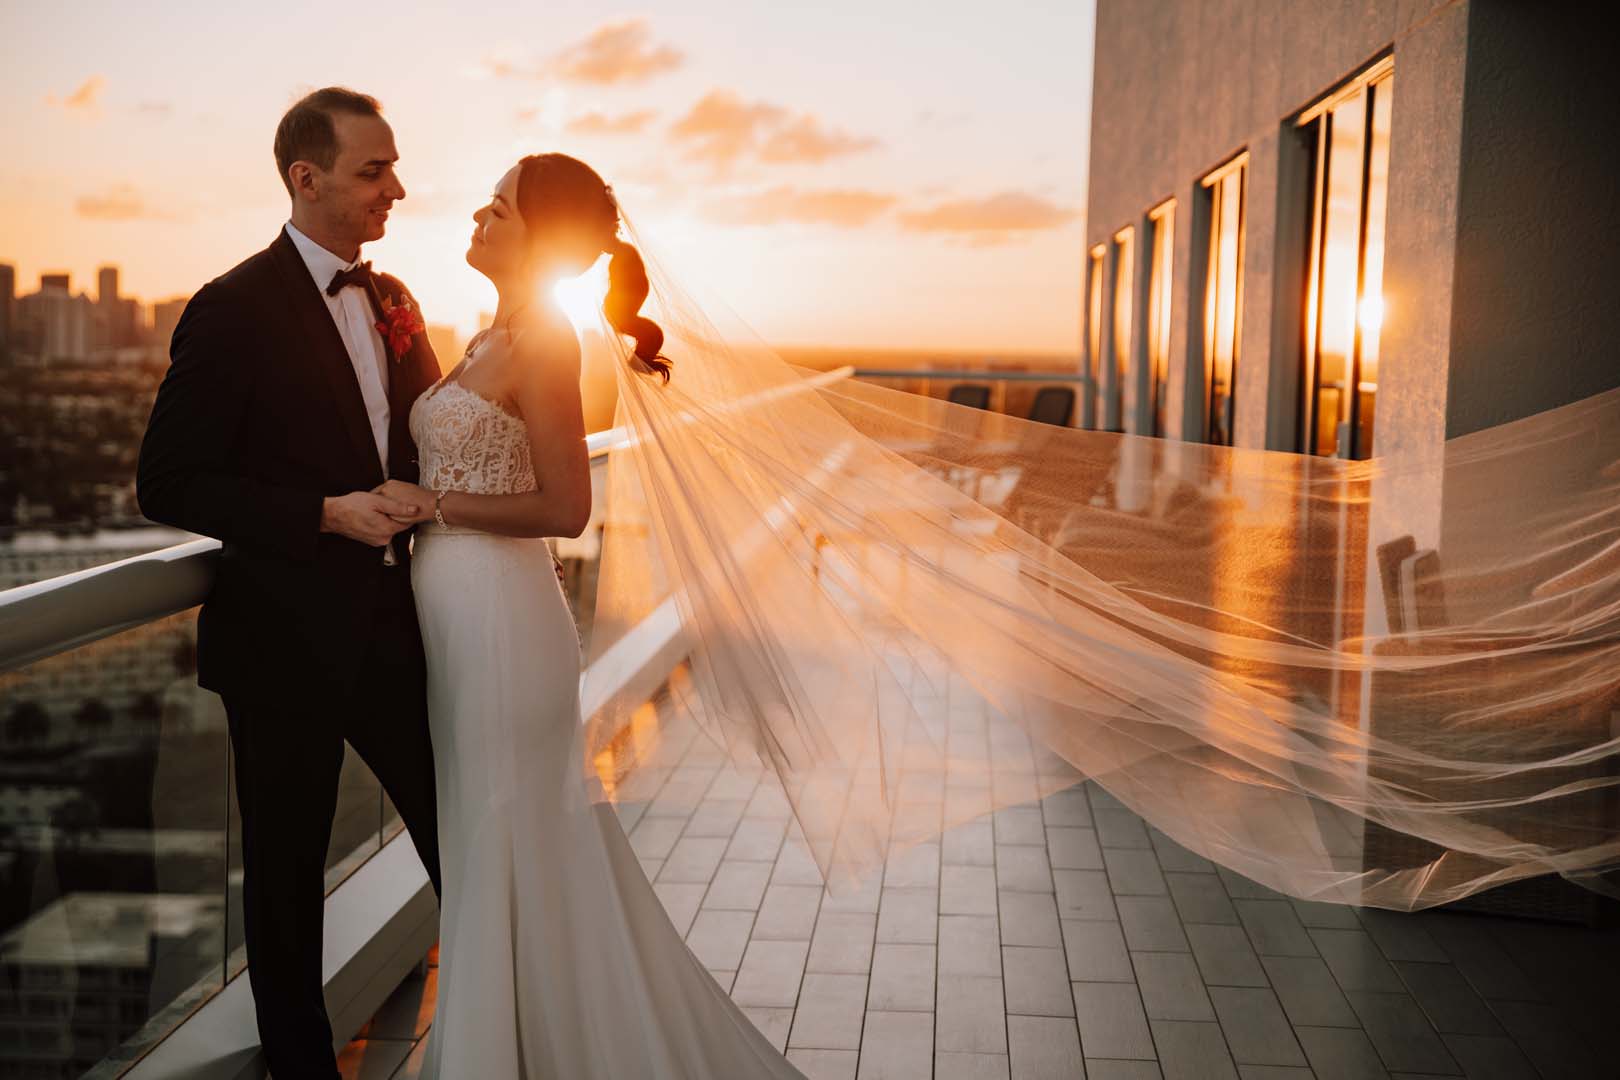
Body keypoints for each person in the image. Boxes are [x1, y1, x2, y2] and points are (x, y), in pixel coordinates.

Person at [377, 152, 807, 1077]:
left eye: (499, 209)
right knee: (491, 837)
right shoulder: (492, 336)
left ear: (541, 240)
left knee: (498, 832)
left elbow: (567, 507)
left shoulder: (542, 343)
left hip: (500, 620)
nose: (480, 219)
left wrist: (432, 508)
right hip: (459, 617)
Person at [136, 87, 443, 1080]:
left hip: (400, 635)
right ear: (305, 180)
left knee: (466, 842)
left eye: (393, 165)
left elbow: (431, 442)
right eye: (373, 170)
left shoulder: (397, 300)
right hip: (281, 648)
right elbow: (168, 480)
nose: (395, 188)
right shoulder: (229, 309)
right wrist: (323, 512)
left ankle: (496, 1024)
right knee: (281, 890)